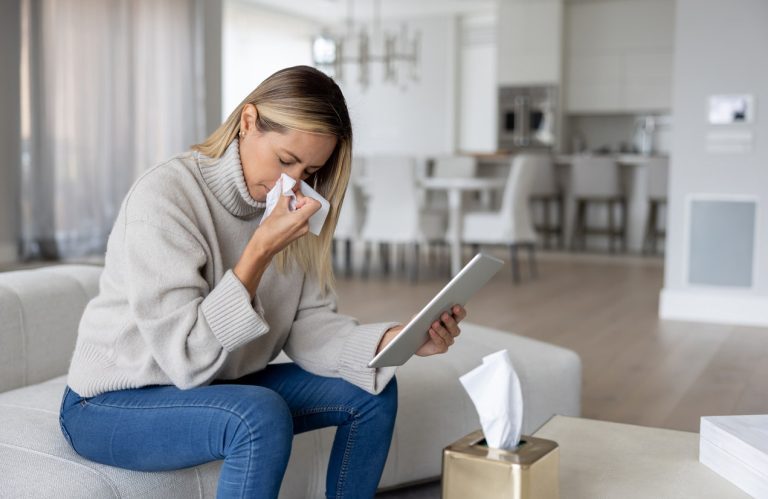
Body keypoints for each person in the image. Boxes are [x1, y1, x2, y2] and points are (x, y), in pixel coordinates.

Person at [58, 65, 467, 499]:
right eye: (285, 160)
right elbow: (187, 360)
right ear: (248, 122)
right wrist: (258, 252)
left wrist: (392, 340)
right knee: (258, 414)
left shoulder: (294, 207)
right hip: (109, 404)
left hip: (217, 386)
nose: (293, 183)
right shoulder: (165, 197)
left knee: (372, 390)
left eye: (310, 171)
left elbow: (310, 330)